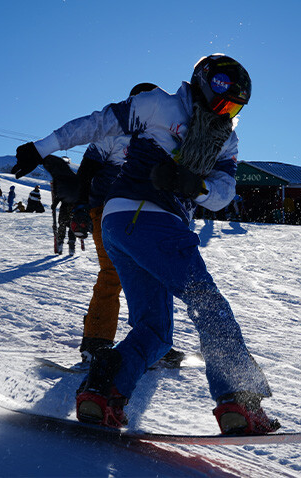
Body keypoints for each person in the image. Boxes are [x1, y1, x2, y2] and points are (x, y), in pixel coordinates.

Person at [11, 54, 279, 435]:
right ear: (201, 82)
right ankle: (239, 399)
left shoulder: (226, 138)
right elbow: (100, 123)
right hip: (151, 218)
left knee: (154, 329)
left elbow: (224, 191)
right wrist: (42, 147)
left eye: (233, 106)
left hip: (120, 227)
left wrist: (196, 187)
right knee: (208, 303)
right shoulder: (160, 104)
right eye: (220, 97)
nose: (223, 110)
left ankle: (103, 392)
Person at [70, 82, 192, 364]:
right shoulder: (115, 132)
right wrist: (79, 206)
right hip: (106, 210)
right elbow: (86, 170)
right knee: (112, 272)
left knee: (152, 274)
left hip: (148, 212)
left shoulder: (165, 136)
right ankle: (96, 342)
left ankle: (151, 342)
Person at [51, 181, 77, 255]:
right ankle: (67, 245)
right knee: (71, 228)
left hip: (67, 212)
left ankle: (62, 244)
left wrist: (54, 205)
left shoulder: (65, 190)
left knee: (64, 227)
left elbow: (58, 198)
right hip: (72, 212)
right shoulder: (76, 190)